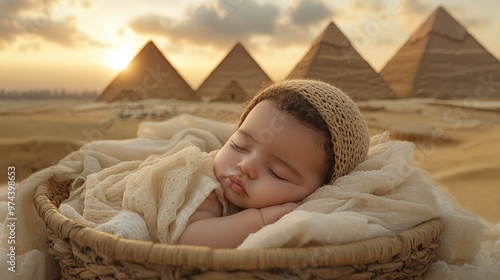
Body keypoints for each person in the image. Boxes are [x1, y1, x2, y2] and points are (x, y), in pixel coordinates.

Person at [177, 79, 370, 248]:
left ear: (321, 189)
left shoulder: (316, 207)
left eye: (276, 173)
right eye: (239, 146)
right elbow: (187, 241)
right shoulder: (208, 189)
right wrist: (259, 220)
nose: (245, 166)